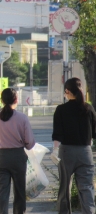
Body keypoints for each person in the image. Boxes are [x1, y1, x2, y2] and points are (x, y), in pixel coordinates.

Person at [51, 77, 96, 214]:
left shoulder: (61, 109)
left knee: (65, 188)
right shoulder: (88, 109)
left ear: (67, 91)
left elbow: (57, 134)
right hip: (85, 152)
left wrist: (54, 150)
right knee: (87, 187)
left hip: (66, 152)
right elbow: (94, 132)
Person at [0, 88, 35, 214]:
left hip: (1, 157)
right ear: (16, 100)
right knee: (19, 190)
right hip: (18, 156)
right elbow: (29, 142)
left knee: (2, 190)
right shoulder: (22, 118)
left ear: (1, 100)